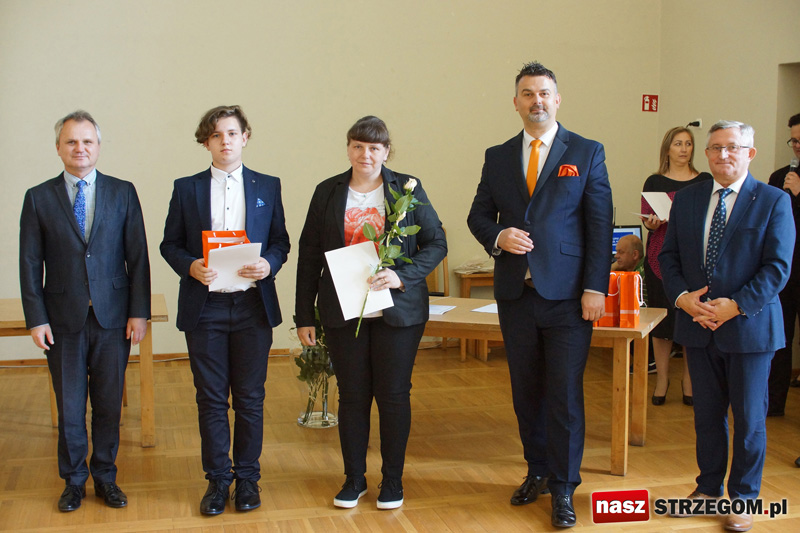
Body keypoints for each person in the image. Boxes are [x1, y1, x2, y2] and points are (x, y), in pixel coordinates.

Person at [467, 62, 613, 528]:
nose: (537, 101)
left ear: (557, 98)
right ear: (516, 103)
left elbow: (600, 225)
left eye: (544, 93)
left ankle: (565, 487)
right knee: (526, 391)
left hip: (569, 298)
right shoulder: (497, 156)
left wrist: (595, 287)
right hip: (517, 296)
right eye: (528, 94)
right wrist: (498, 236)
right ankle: (537, 471)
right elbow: (477, 215)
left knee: (564, 395)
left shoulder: (586, 151)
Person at [295, 116, 446, 510]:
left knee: (394, 396)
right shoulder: (327, 191)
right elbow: (309, 254)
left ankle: (392, 480)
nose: (365, 154)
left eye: (374, 148)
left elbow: (436, 242)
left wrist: (402, 276)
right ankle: (354, 479)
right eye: (358, 146)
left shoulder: (407, 188)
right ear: (348, 148)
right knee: (352, 397)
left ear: (386, 151)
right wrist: (303, 315)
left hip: (398, 313)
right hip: (343, 311)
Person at [660, 120, 794, 532]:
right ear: (707, 154)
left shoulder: (773, 200)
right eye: (716, 147)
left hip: (750, 329)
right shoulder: (687, 199)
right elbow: (668, 257)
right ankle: (708, 488)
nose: (723, 155)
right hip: (697, 325)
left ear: (749, 153)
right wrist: (682, 298)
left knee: (749, 420)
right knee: (706, 416)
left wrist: (736, 306)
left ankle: (744, 498)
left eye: (733, 147)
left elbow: (778, 267)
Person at [160, 105, 290, 515]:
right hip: (206, 308)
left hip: (253, 306)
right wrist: (190, 266)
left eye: (232, 133)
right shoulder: (187, 188)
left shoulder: (268, 185)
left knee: (250, 398)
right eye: (216, 135)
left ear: (245, 137)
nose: (225, 141)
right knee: (211, 399)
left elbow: (281, 242)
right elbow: (169, 244)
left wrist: (270, 263)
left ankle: (248, 479)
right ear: (206, 142)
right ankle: (218, 481)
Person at [19, 110, 151, 512]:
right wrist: (36, 318)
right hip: (62, 321)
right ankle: (74, 481)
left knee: (108, 405)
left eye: (87, 141)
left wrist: (139, 312)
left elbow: (138, 257)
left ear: (98, 146)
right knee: (71, 407)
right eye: (71, 141)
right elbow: (29, 263)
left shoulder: (122, 192)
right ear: (58, 148)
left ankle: (105, 477)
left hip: (114, 319)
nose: (80, 148)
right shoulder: (38, 197)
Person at [640, 127, 712, 406]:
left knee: (692, 320)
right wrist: (651, 224)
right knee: (662, 322)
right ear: (667, 149)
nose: (683, 149)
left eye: (688, 143)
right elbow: (647, 219)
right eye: (678, 143)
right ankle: (662, 380)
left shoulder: (705, 180)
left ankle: (689, 381)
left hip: (694, 259)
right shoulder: (655, 180)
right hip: (660, 256)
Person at [766, 113, 800, 417]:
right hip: (784, 273)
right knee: (780, 339)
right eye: (793, 140)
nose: (797, 146)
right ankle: (773, 403)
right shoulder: (779, 178)